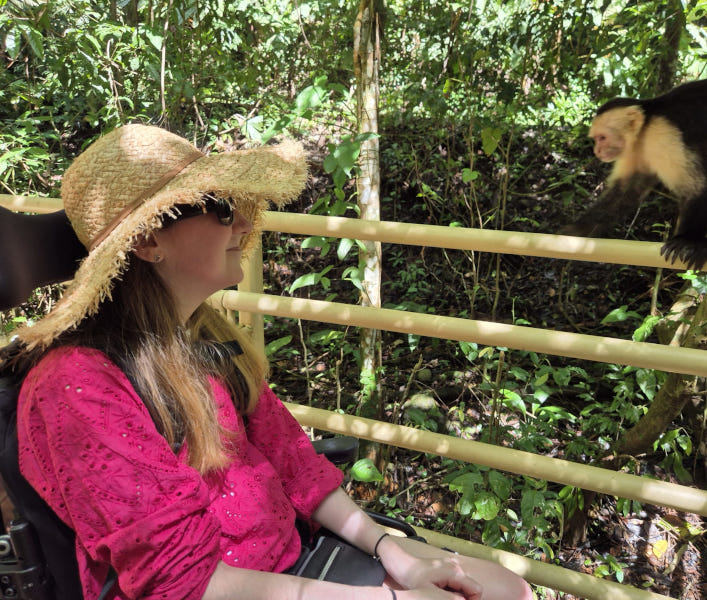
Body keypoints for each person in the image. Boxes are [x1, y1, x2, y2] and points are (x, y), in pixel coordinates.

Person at [8, 124, 533, 600]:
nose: (242, 221)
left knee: (507, 589)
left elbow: (293, 460)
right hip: (227, 588)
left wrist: (390, 551)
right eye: (218, 206)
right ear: (148, 242)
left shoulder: (201, 338)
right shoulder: (78, 386)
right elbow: (183, 581)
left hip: (291, 561)